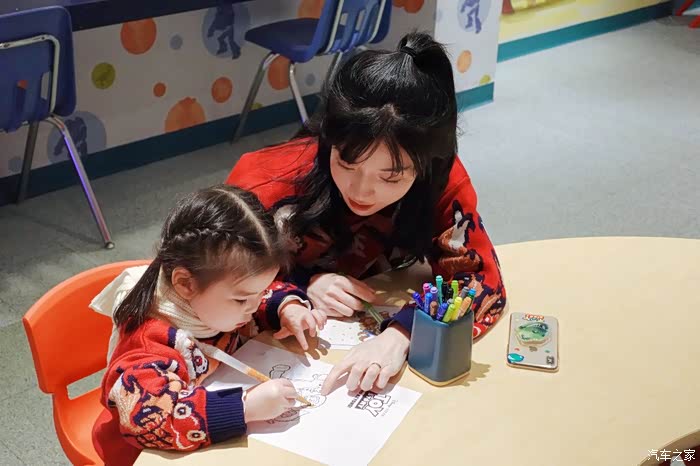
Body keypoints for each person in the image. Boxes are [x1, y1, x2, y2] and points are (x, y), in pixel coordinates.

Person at [226, 32, 506, 396]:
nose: (361, 191)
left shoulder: (441, 179)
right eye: (347, 163)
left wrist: (402, 333)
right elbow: (209, 283)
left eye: (391, 176)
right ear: (328, 140)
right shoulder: (264, 182)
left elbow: (479, 280)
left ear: (426, 165)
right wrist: (300, 286)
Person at [90, 185, 326, 465]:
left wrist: (286, 307)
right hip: (145, 455)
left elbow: (258, 296)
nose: (253, 306)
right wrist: (243, 408)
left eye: (261, 292)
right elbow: (152, 421)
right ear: (185, 284)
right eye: (242, 299)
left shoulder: (217, 299)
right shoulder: (149, 346)